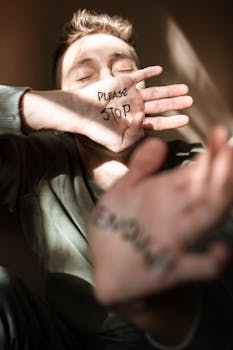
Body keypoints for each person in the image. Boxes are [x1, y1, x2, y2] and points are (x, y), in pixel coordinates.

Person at [0, 8, 232, 350]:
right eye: (85, 78)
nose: (109, 85)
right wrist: (62, 110)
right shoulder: (35, 162)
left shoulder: (193, 166)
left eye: (123, 71)